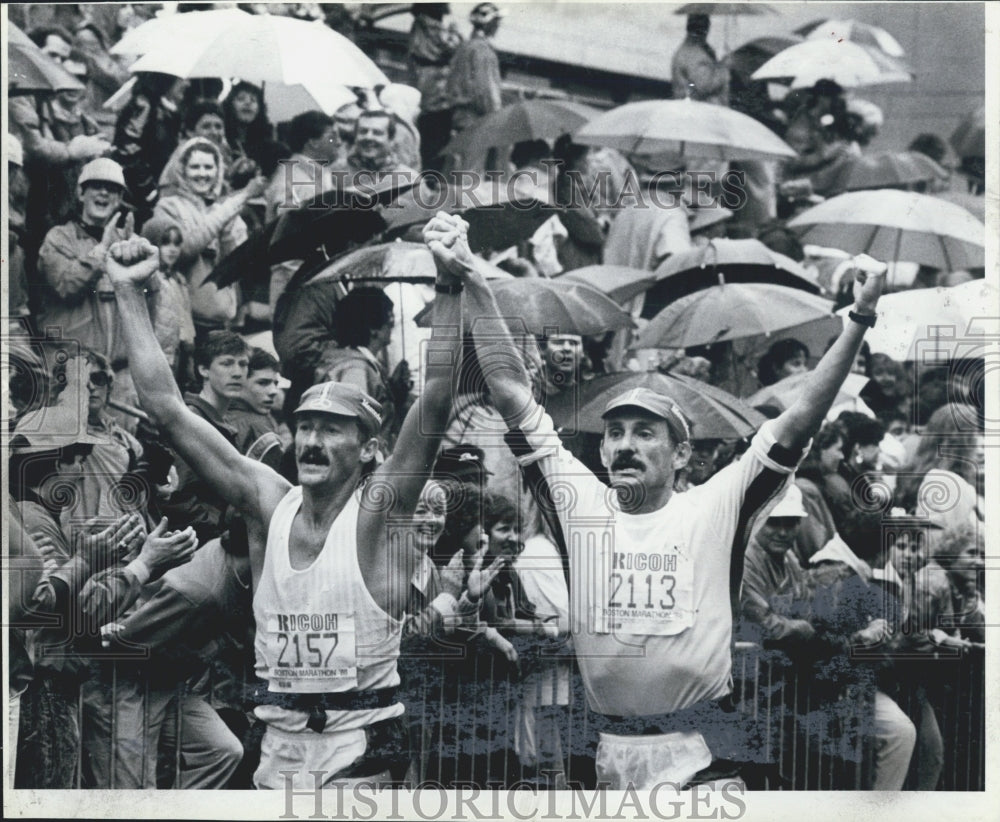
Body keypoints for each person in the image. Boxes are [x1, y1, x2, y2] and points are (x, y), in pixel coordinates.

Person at [435, 209, 889, 789]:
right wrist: (473, 276)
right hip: (603, 754)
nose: (625, 444)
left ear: (681, 456)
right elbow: (510, 391)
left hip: (701, 757)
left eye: (645, 433)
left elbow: (798, 420)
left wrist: (859, 317)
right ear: (601, 452)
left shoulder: (713, 507)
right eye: (616, 432)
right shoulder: (581, 504)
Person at [102, 217, 467, 789]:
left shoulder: (379, 510)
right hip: (278, 747)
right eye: (305, 427)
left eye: (331, 429)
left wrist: (448, 285)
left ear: (369, 448)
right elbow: (168, 410)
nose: (312, 441)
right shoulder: (269, 501)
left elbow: (438, 401)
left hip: (360, 748)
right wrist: (127, 291)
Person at [36, 157, 172, 424]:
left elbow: (152, 308)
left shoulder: (129, 245)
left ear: (120, 197)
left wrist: (144, 268)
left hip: (119, 382)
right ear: (80, 193)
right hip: (69, 377)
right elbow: (66, 285)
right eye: (95, 186)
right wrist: (102, 249)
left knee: (122, 457)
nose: (103, 193)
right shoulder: (58, 237)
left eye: (111, 189)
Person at [152, 137, 266, 336]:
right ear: (182, 170)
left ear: (218, 170)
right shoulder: (168, 206)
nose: (202, 174)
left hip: (221, 322)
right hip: (183, 324)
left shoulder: (222, 208)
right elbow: (185, 249)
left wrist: (229, 228)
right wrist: (238, 200)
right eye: (195, 167)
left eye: (208, 167)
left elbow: (238, 265)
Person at [159, 331, 247, 544]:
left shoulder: (221, 421)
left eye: (243, 364)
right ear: (203, 369)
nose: (237, 372)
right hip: (195, 544)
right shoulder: (190, 421)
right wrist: (213, 535)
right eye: (227, 363)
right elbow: (177, 494)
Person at [313, 287, 412, 448]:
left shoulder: (355, 363)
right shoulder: (355, 370)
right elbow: (355, 425)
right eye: (390, 321)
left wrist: (395, 391)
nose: (392, 327)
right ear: (373, 329)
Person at [739, 485, 815, 644]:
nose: (782, 533)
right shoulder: (744, 562)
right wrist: (803, 629)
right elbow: (763, 624)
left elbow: (807, 606)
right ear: (757, 522)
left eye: (789, 524)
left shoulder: (790, 559)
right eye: (773, 523)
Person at [408, 3, 463, 171]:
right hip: (438, 97)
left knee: (425, 145)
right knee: (435, 148)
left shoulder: (417, 28)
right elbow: (451, 47)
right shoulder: (432, 28)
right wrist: (454, 32)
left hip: (423, 92)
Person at [446, 2, 504, 135]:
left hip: (459, 117)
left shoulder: (464, 47)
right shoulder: (482, 50)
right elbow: (486, 89)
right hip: (477, 121)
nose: (498, 26)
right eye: (496, 21)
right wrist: (496, 118)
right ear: (488, 24)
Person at [227, 347, 285, 466]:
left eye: (275, 383)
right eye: (263, 383)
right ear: (239, 382)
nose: (274, 391)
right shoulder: (257, 426)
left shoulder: (216, 414)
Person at [671, 14, 729, 105]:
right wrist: (725, 69)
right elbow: (705, 86)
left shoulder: (691, 50)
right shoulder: (693, 53)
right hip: (700, 110)